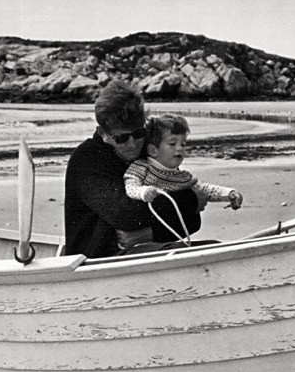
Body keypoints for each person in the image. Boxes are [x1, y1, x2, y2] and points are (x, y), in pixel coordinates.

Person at [63, 81, 203, 258]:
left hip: (142, 248)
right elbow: (125, 215)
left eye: (138, 134)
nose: (132, 145)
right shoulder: (87, 159)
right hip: (95, 257)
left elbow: (192, 221)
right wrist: (190, 198)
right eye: (121, 139)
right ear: (102, 132)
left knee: (211, 247)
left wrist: (150, 233)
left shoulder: (148, 150)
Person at [124, 114, 243, 243]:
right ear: (153, 150)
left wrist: (228, 193)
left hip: (164, 236)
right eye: (172, 144)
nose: (179, 148)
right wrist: (142, 192)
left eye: (183, 144)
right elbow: (130, 185)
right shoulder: (142, 167)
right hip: (137, 236)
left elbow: (203, 189)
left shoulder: (181, 176)